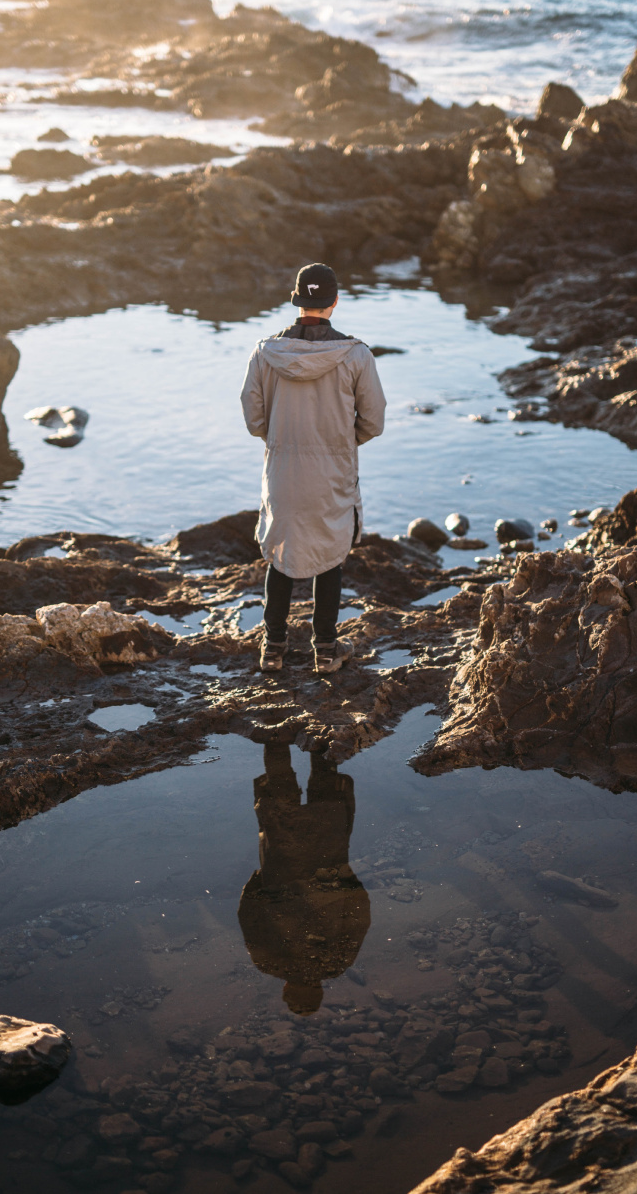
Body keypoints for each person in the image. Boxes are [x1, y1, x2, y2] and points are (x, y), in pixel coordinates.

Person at [240, 263, 386, 674]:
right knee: (330, 554)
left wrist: (283, 440)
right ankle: (325, 649)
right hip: (333, 471)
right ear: (334, 301)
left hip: (282, 470)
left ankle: (273, 648)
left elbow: (253, 419)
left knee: (281, 554)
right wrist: (339, 443)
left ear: (297, 300)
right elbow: (374, 421)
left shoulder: (265, 353)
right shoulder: (355, 355)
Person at [237, 744, 370, 1015]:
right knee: (280, 787)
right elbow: (249, 917)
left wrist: (348, 881)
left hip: (328, 860)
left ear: (318, 990)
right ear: (287, 989)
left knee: (325, 788)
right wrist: (257, 884)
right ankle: (276, 732)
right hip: (281, 868)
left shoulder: (338, 962)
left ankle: (319, 736)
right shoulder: (270, 964)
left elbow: (359, 914)